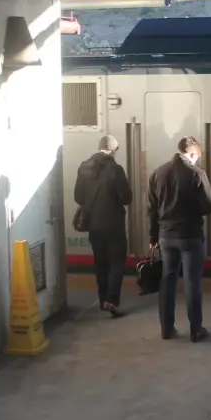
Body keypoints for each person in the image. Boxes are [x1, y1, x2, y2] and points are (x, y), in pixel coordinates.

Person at [147, 136, 211, 342]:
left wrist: (153, 236)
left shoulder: (158, 173)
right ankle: (196, 330)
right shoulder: (196, 173)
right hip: (190, 236)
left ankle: (166, 329)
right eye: (197, 157)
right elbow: (208, 205)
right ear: (193, 154)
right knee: (192, 283)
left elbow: (152, 209)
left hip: (166, 236)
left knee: (167, 281)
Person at [74, 134, 132, 318]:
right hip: (113, 224)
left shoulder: (84, 167)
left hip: (93, 224)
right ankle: (111, 301)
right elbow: (126, 198)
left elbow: (78, 197)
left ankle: (102, 300)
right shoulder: (115, 169)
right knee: (116, 263)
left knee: (100, 263)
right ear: (114, 151)